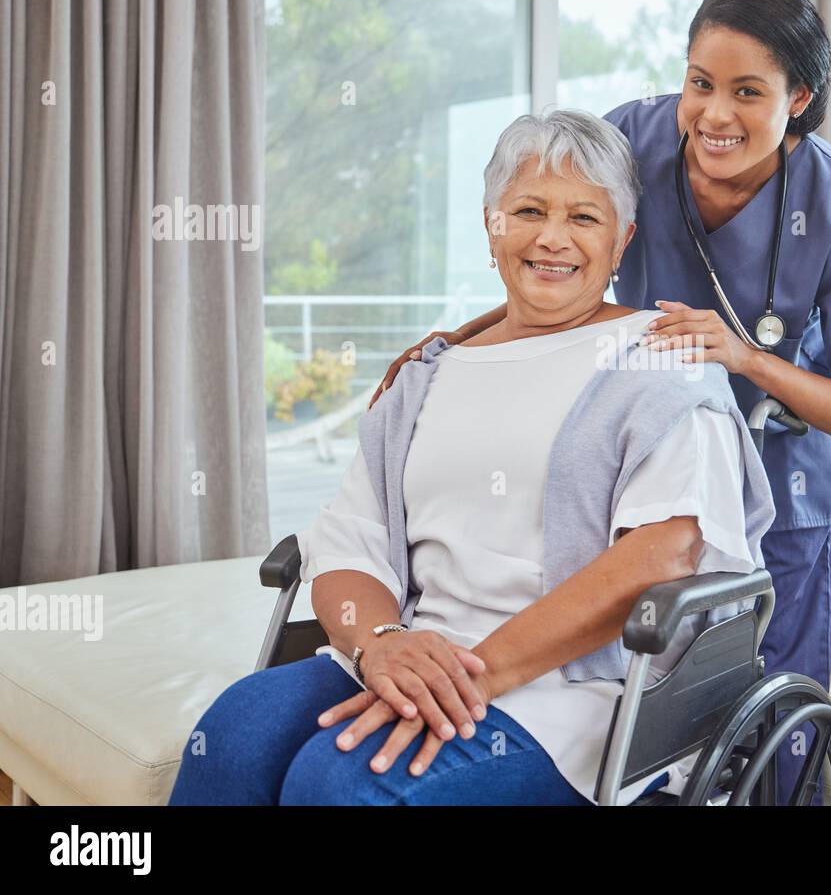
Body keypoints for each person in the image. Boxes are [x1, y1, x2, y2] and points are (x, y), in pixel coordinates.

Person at [372, 0, 831, 804]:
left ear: (798, 99)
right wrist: (460, 339)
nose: (712, 115)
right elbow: (559, 268)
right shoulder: (634, 137)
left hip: (785, 501)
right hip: (645, 471)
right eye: (700, 82)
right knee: (635, 712)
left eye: (747, 92)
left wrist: (746, 359)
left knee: (764, 740)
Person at [168, 109, 775, 805]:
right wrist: (382, 644)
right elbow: (348, 546)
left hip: (572, 692)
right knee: (233, 737)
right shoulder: (427, 374)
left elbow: (664, 553)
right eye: (528, 210)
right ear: (492, 227)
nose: (552, 237)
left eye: (584, 217)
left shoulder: (660, 361)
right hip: (410, 652)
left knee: (339, 785)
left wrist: (477, 673)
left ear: (621, 242)